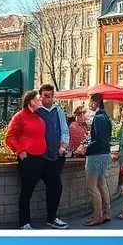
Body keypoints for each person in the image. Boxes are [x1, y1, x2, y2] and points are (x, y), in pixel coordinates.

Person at [5, 90, 47, 230]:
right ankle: (24, 223)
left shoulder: (38, 116)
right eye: (37, 98)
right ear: (30, 101)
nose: (40, 99)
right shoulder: (19, 116)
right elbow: (10, 137)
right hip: (28, 159)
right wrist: (20, 151)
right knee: (26, 191)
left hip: (40, 158)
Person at [36, 84, 70, 229]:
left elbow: (64, 130)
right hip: (40, 157)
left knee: (54, 187)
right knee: (55, 186)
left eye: (50, 96)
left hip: (56, 156)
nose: (48, 99)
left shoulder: (58, 111)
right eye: (45, 96)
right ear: (40, 96)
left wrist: (63, 145)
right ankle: (50, 217)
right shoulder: (36, 111)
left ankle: (51, 216)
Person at [81, 93, 112, 227]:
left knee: (92, 186)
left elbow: (98, 140)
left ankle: (98, 215)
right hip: (105, 153)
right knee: (101, 184)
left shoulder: (98, 118)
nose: (89, 105)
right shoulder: (105, 116)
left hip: (96, 155)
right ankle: (106, 213)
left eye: (90, 102)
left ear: (95, 102)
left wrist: (85, 149)